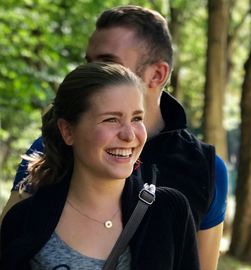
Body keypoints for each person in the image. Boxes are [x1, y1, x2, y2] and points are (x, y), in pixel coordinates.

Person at [0, 5, 228, 270]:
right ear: (67, 131)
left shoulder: (206, 169)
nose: (94, 72)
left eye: (108, 62)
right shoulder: (49, 148)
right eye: (89, 62)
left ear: (157, 74)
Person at [0, 62, 200, 269]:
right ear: (68, 131)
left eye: (137, 118)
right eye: (111, 119)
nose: (129, 135)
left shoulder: (169, 211)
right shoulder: (23, 221)